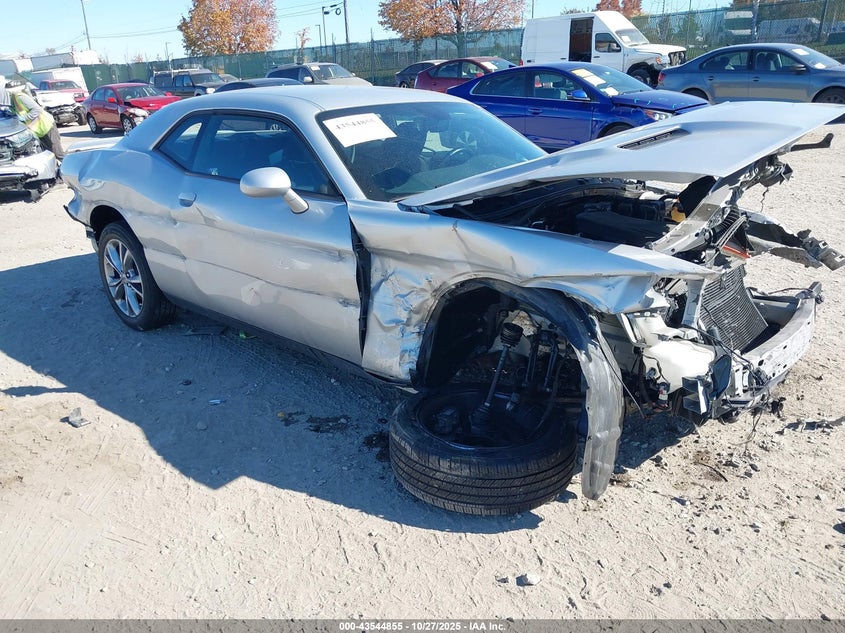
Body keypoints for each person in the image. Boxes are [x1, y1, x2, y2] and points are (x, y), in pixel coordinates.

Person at [0, 81, 65, 161]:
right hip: (38, 129)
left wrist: (24, 118)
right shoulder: (13, 98)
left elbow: (37, 109)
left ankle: (66, 166)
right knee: (48, 153)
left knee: (57, 152)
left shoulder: (20, 97)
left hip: (46, 125)